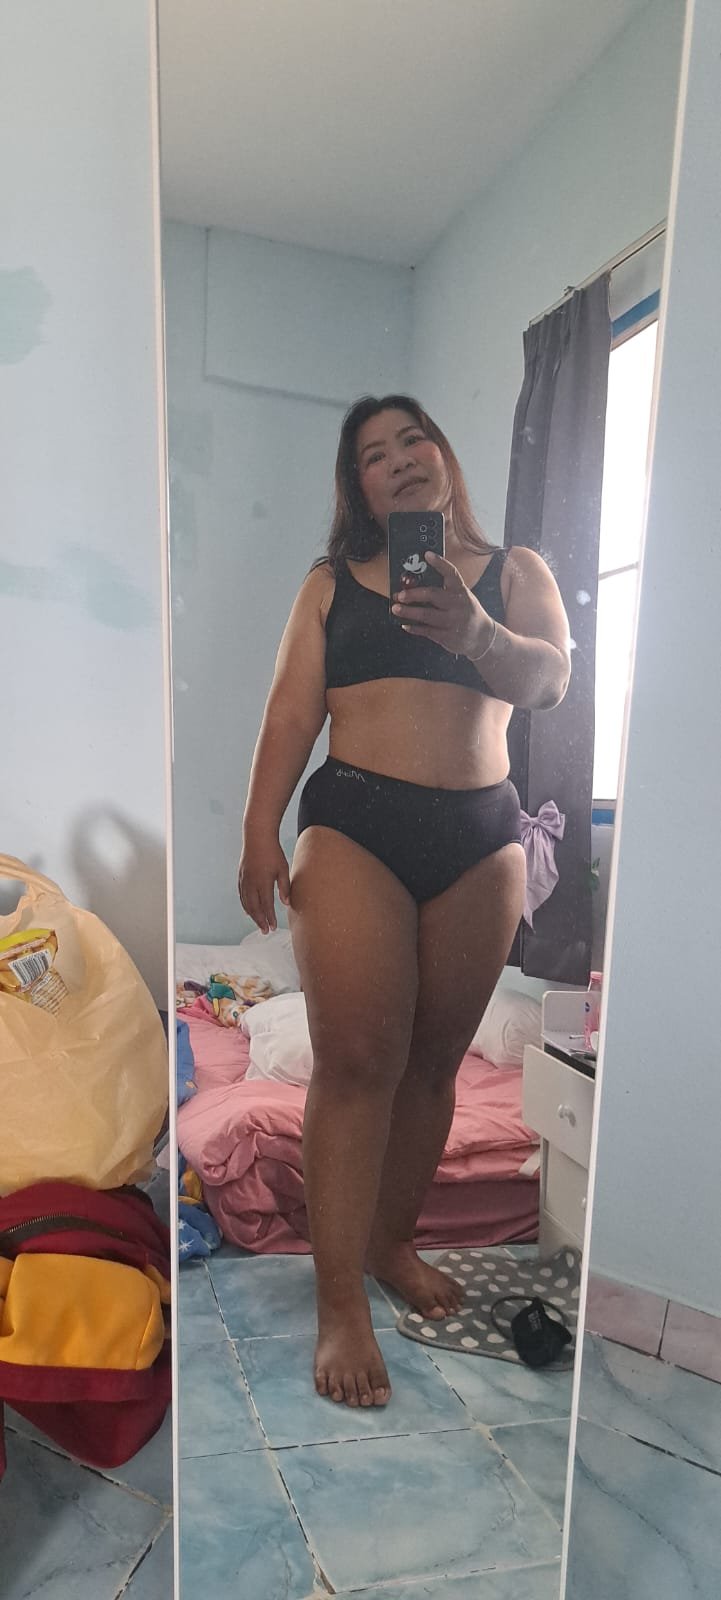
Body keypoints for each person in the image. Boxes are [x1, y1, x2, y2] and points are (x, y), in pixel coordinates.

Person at [238, 394, 571, 1410]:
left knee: (432, 1066)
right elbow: (289, 710)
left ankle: (390, 1244)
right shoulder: (331, 583)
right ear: (361, 488)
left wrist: (476, 632)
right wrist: (257, 830)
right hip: (357, 823)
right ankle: (339, 1297)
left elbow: (550, 680)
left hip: (480, 835)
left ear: (442, 455)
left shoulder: (515, 573)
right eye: (373, 455)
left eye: (410, 440)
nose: (397, 460)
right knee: (357, 1063)